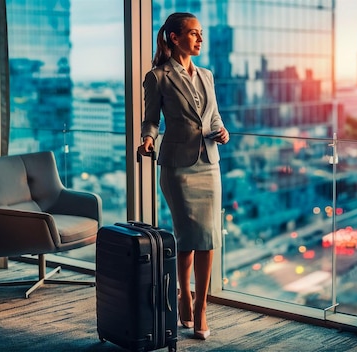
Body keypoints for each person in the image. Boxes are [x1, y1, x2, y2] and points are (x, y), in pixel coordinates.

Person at [138, 12, 229, 340]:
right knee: (187, 237)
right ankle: (185, 296)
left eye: (200, 33)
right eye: (193, 34)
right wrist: (147, 139)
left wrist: (222, 132)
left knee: (209, 238)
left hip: (209, 163)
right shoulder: (157, 77)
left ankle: (201, 305)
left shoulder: (206, 74)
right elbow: (150, 120)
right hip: (178, 167)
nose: (200, 39)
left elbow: (214, 115)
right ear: (175, 38)